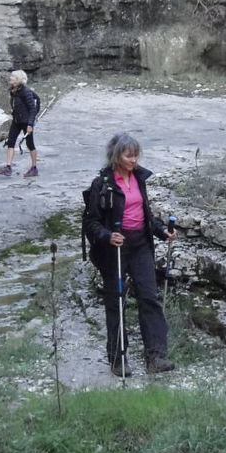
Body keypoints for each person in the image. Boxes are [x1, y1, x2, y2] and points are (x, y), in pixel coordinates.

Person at [83, 132, 176, 377]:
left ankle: (156, 357)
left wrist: (162, 232)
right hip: (114, 248)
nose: (134, 160)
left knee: (149, 296)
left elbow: (146, 215)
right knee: (116, 301)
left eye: (136, 155)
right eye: (129, 156)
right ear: (116, 156)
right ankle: (117, 359)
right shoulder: (102, 184)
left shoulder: (139, 178)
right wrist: (107, 236)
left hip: (140, 244)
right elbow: (91, 223)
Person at [0, 69, 39, 177]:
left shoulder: (26, 92)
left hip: (26, 122)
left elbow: (33, 107)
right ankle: (8, 167)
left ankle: (34, 168)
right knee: (11, 142)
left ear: (18, 79)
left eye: (13, 76)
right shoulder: (13, 90)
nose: (10, 78)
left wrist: (31, 123)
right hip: (16, 121)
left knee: (30, 144)